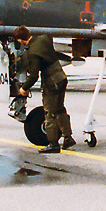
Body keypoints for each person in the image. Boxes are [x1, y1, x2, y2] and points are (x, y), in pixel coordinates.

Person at [14, 25, 73, 153]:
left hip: (51, 82)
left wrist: (24, 88)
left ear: (20, 40)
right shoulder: (44, 39)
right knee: (60, 109)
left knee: (49, 112)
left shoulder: (33, 53)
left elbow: (34, 75)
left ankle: (53, 143)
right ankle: (68, 138)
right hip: (61, 77)